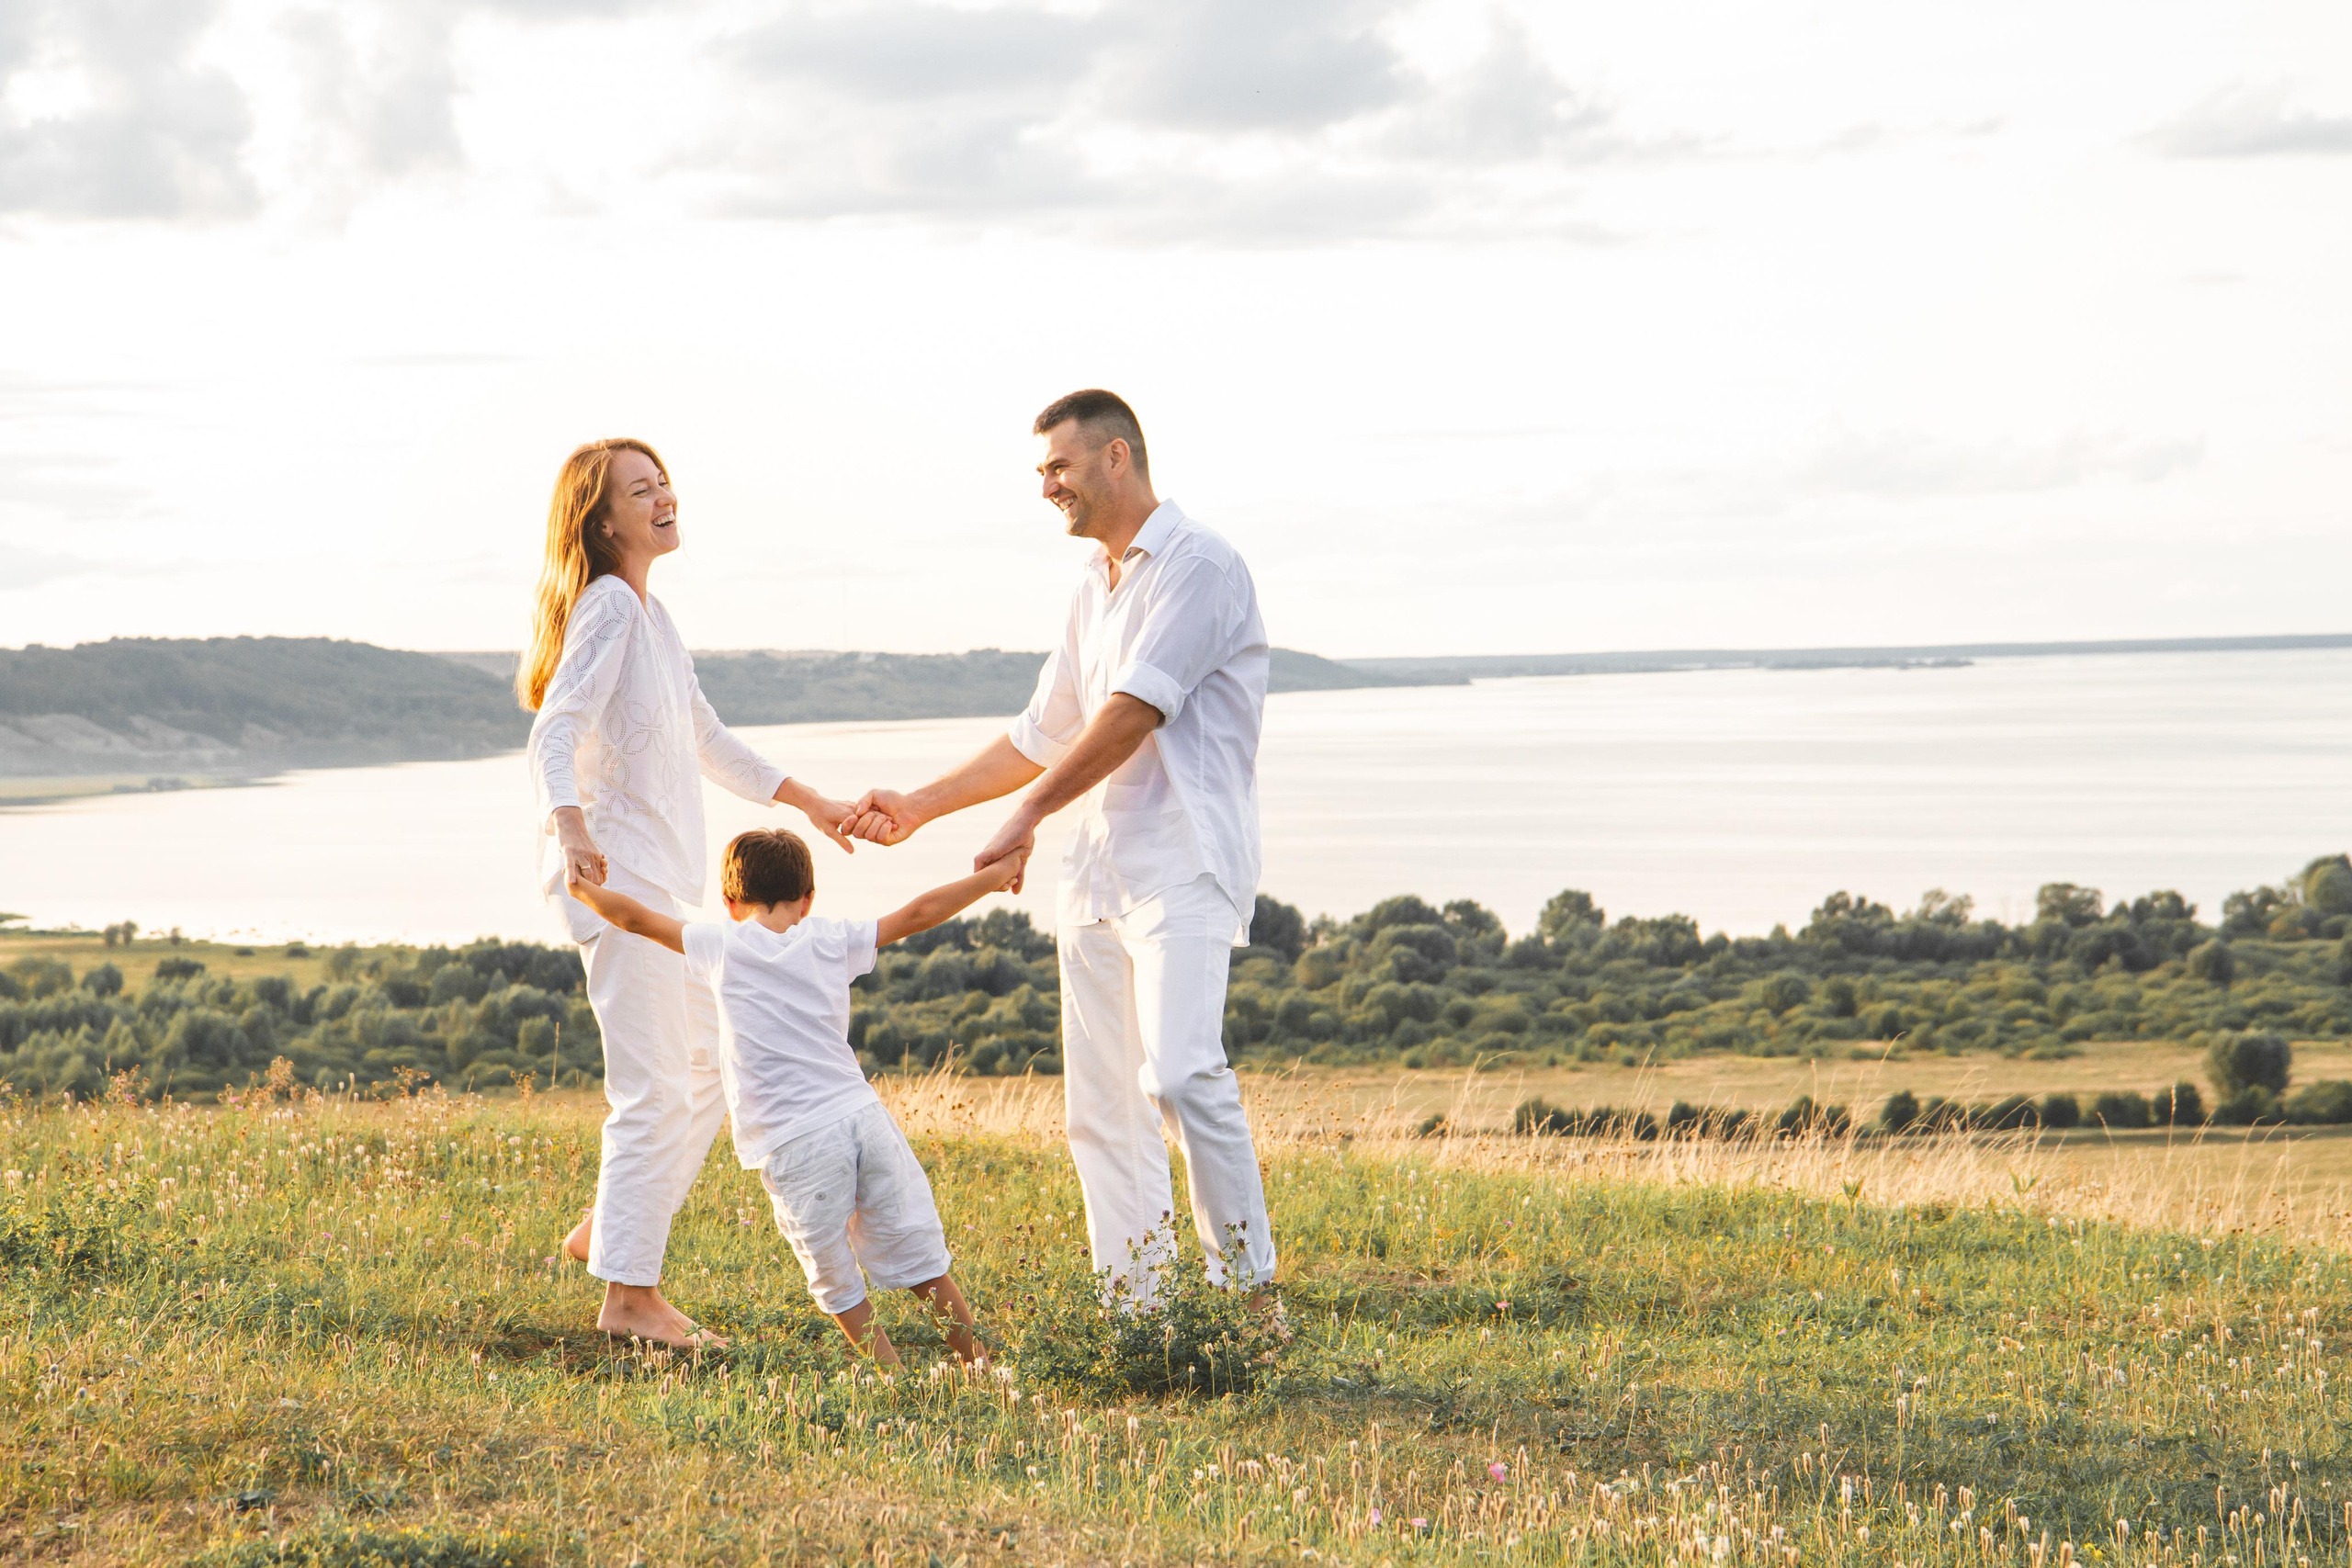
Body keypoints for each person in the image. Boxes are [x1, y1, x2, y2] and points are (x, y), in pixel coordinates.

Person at [846, 389, 1279, 1308]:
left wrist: (1028, 815)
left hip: (1184, 862)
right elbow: (1042, 733)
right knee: (1102, 1111)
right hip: (1095, 876)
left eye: (1058, 466)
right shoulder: (1094, 585)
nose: (1046, 486)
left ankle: (1251, 1300)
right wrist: (923, 806)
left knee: (1180, 1070)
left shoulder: (1200, 564)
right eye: (1041, 471)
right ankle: (1139, 1312)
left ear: (1115, 457)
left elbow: (1131, 714)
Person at [520, 437, 858, 1348]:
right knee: (653, 1090)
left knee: (713, 1062)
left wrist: (812, 802)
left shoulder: (649, 617)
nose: (665, 496)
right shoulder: (607, 609)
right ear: (603, 520)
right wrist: (571, 825)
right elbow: (554, 732)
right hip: (614, 878)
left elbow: (708, 737)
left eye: (664, 481)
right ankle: (628, 1296)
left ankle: (609, 1227)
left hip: (658, 881)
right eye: (642, 489)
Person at [567, 829, 1019, 1365]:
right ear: (808, 899)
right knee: (916, 1251)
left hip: (795, 1140)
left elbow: (638, 920)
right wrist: (995, 875)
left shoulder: (722, 944)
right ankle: (981, 1365)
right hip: (862, 1118)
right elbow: (921, 911)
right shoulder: (831, 938)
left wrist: (582, 890)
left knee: (831, 1269)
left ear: (730, 902)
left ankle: (893, 1376)